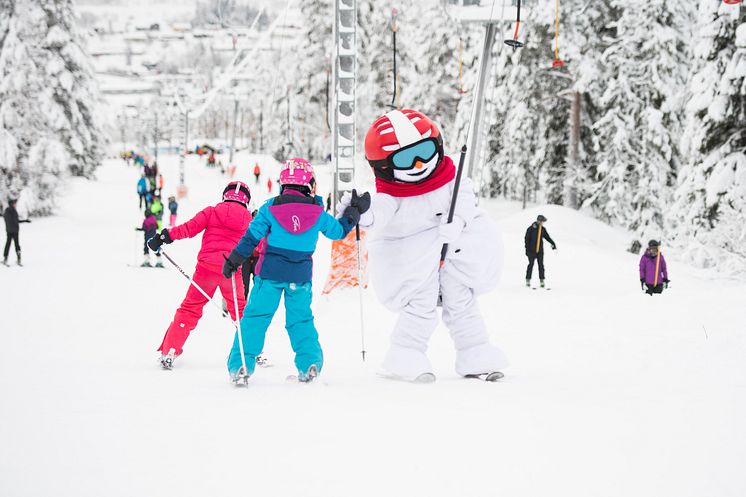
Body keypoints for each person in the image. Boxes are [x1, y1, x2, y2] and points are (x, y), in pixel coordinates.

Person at [348, 108, 507, 382]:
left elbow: (465, 199)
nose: (420, 164)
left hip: (452, 255)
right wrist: (364, 213)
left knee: (462, 302)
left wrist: (457, 221)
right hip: (416, 262)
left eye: (425, 151)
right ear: (385, 165)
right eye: (407, 158)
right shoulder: (393, 194)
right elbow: (380, 212)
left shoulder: (450, 179)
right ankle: (405, 353)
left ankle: (475, 352)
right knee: (420, 306)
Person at [221, 158, 368, 384]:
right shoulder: (317, 213)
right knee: (300, 320)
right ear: (309, 184)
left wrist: (233, 260)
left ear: (283, 183)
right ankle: (310, 363)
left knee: (256, 318)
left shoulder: (270, 208)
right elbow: (338, 232)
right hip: (299, 279)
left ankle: (241, 365)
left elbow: (251, 238)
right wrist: (353, 212)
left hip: (268, 275)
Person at [147, 181, 253, 369]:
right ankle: (253, 350)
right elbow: (257, 244)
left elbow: (188, 228)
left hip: (206, 271)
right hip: (232, 272)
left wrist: (163, 237)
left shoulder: (211, 211)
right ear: (247, 201)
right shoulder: (249, 220)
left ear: (224, 196)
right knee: (241, 312)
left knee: (189, 309)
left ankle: (170, 350)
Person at [524, 214, 557, 288]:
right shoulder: (531, 229)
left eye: (543, 222)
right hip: (531, 251)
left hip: (540, 251)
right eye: (542, 221)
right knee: (531, 265)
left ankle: (542, 280)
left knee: (541, 265)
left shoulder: (542, 229)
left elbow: (547, 237)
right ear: (538, 221)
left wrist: (553, 243)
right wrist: (527, 250)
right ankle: (528, 279)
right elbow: (526, 240)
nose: (542, 223)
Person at [3, 199, 31, 266]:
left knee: (8, 245)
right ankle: (18, 259)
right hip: (14, 231)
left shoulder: (7, 211)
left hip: (10, 231)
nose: (15, 204)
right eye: (14, 203)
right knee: (16, 245)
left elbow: (8, 220)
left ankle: (5, 259)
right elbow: (16, 221)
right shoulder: (12, 211)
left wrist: (24, 221)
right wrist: (25, 220)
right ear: (11, 204)